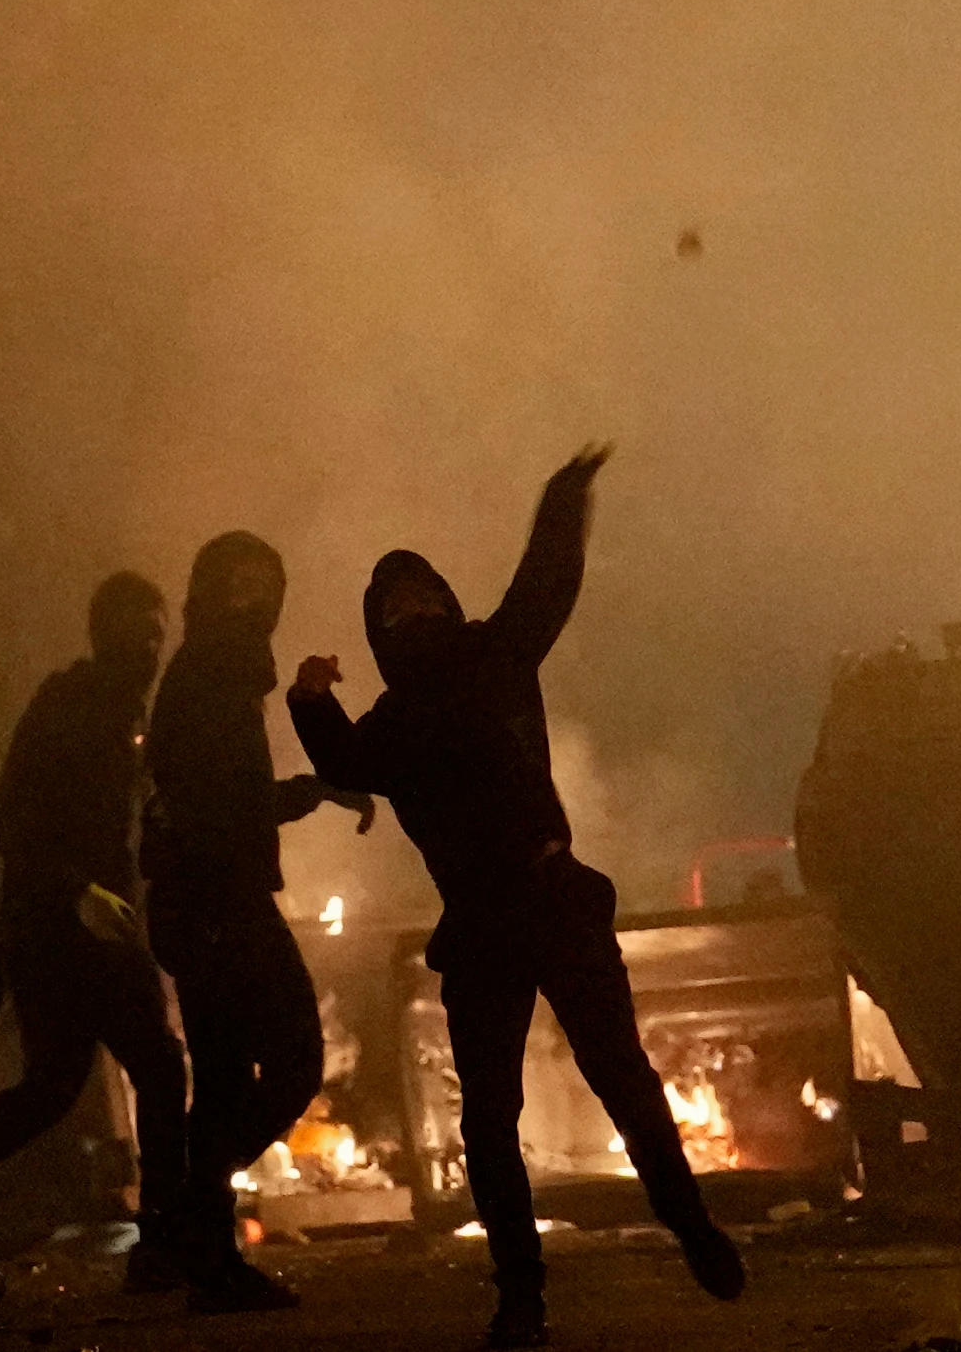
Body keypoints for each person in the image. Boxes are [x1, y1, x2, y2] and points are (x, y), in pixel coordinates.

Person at [287, 446, 745, 1350]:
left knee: (621, 1079)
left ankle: (691, 1227)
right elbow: (340, 762)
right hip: (488, 922)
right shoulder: (391, 721)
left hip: (551, 898)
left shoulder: (497, 650)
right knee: (491, 1115)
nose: (409, 611)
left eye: (419, 596)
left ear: (447, 604)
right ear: (380, 631)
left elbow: (548, 578)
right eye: (392, 605)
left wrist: (563, 496)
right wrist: (308, 696)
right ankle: (521, 1293)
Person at [0, 572, 193, 1290]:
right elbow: (10, 818)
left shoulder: (121, 710)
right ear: (103, 631)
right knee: (157, 1067)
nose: (149, 643)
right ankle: (164, 1239)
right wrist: (79, 890)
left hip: (74, 924)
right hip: (64, 928)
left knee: (52, 1087)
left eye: (156, 630)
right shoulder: (72, 703)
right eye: (137, 629)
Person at [142, 531, 359, 1311]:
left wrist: (311, 787)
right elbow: (218, 808)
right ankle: (190, 1222)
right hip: (218, 902)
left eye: (262, 588)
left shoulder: (216, 674)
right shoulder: (211, 676)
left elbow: (221, 802)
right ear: (208, 595)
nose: (253, 603)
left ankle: (198, 1242)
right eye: (237, 588)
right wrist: (316, 787)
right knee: (296, 1059)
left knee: (227, 1083)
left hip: (207, 900)